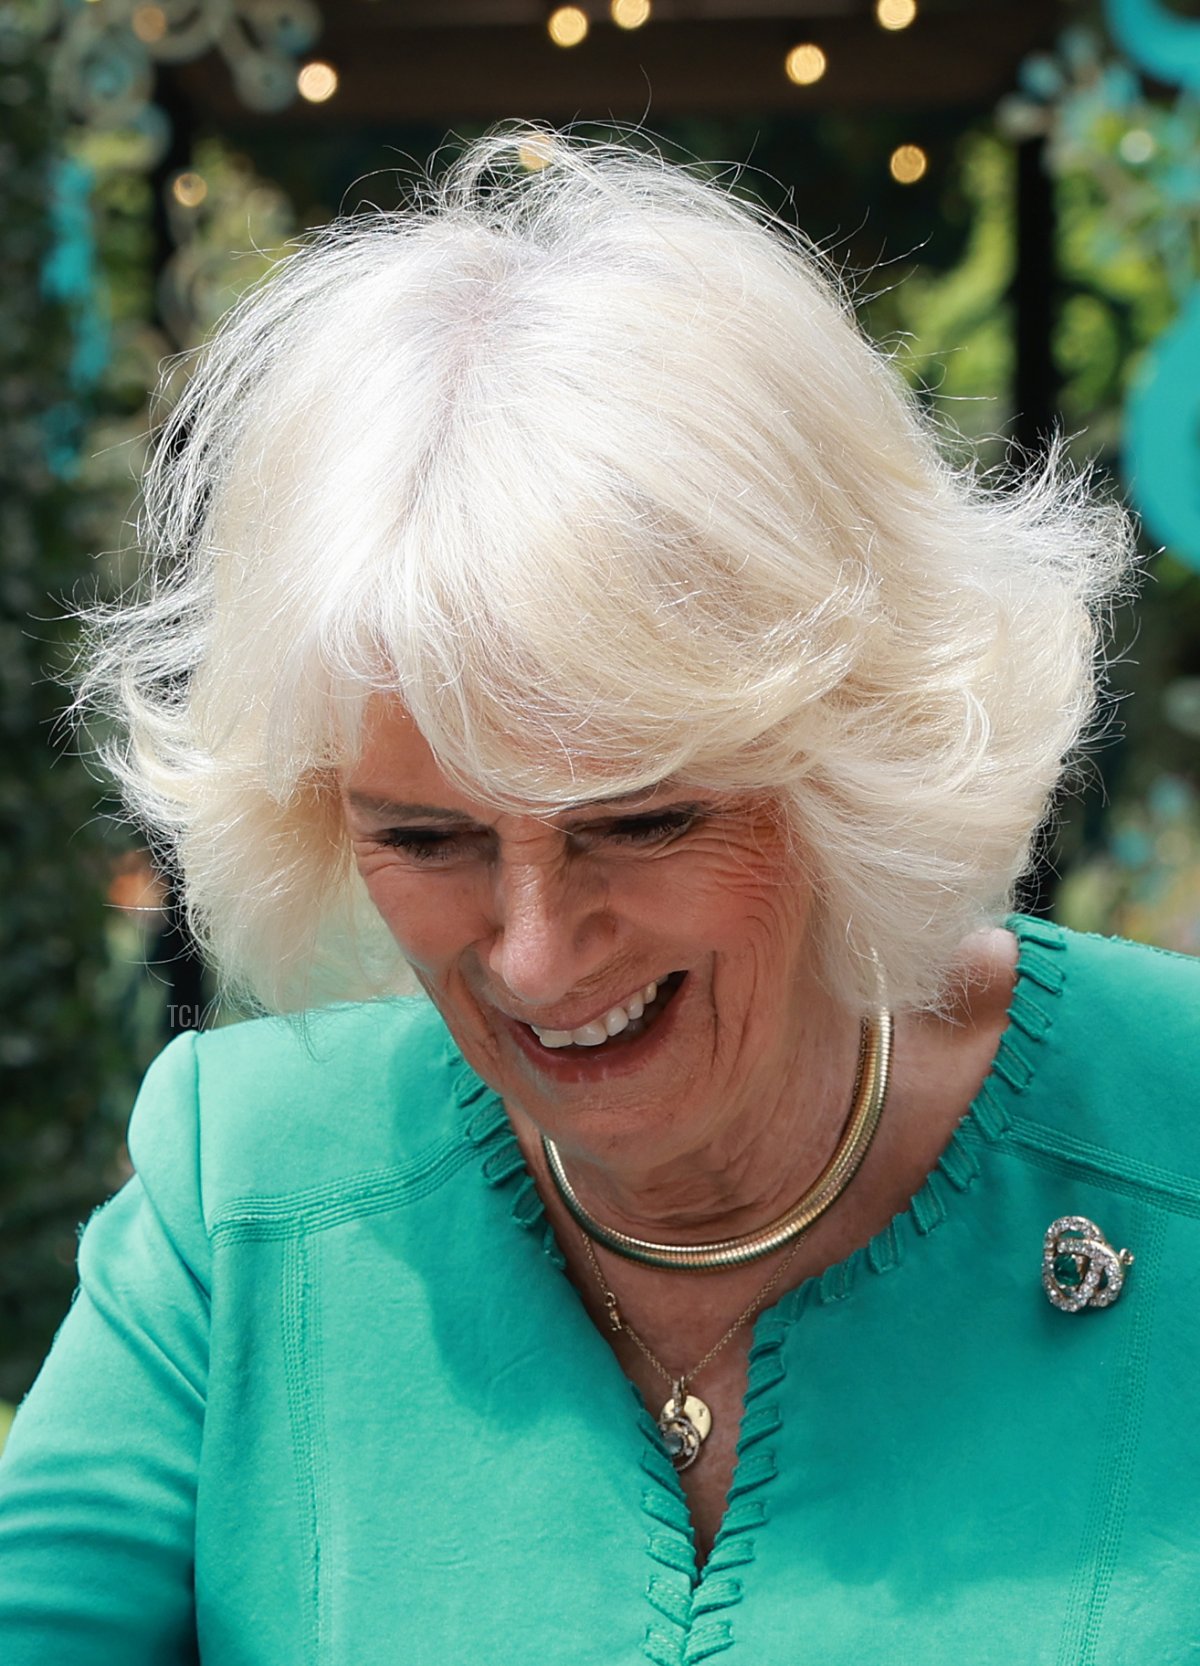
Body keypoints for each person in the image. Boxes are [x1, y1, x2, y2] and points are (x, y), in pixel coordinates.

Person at [1, 128, 1196, 1666]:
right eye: (426, 839)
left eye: (641, 823)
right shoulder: (248, 1187)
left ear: (854, 751)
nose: (537, 951)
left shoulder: (1170, 1121)